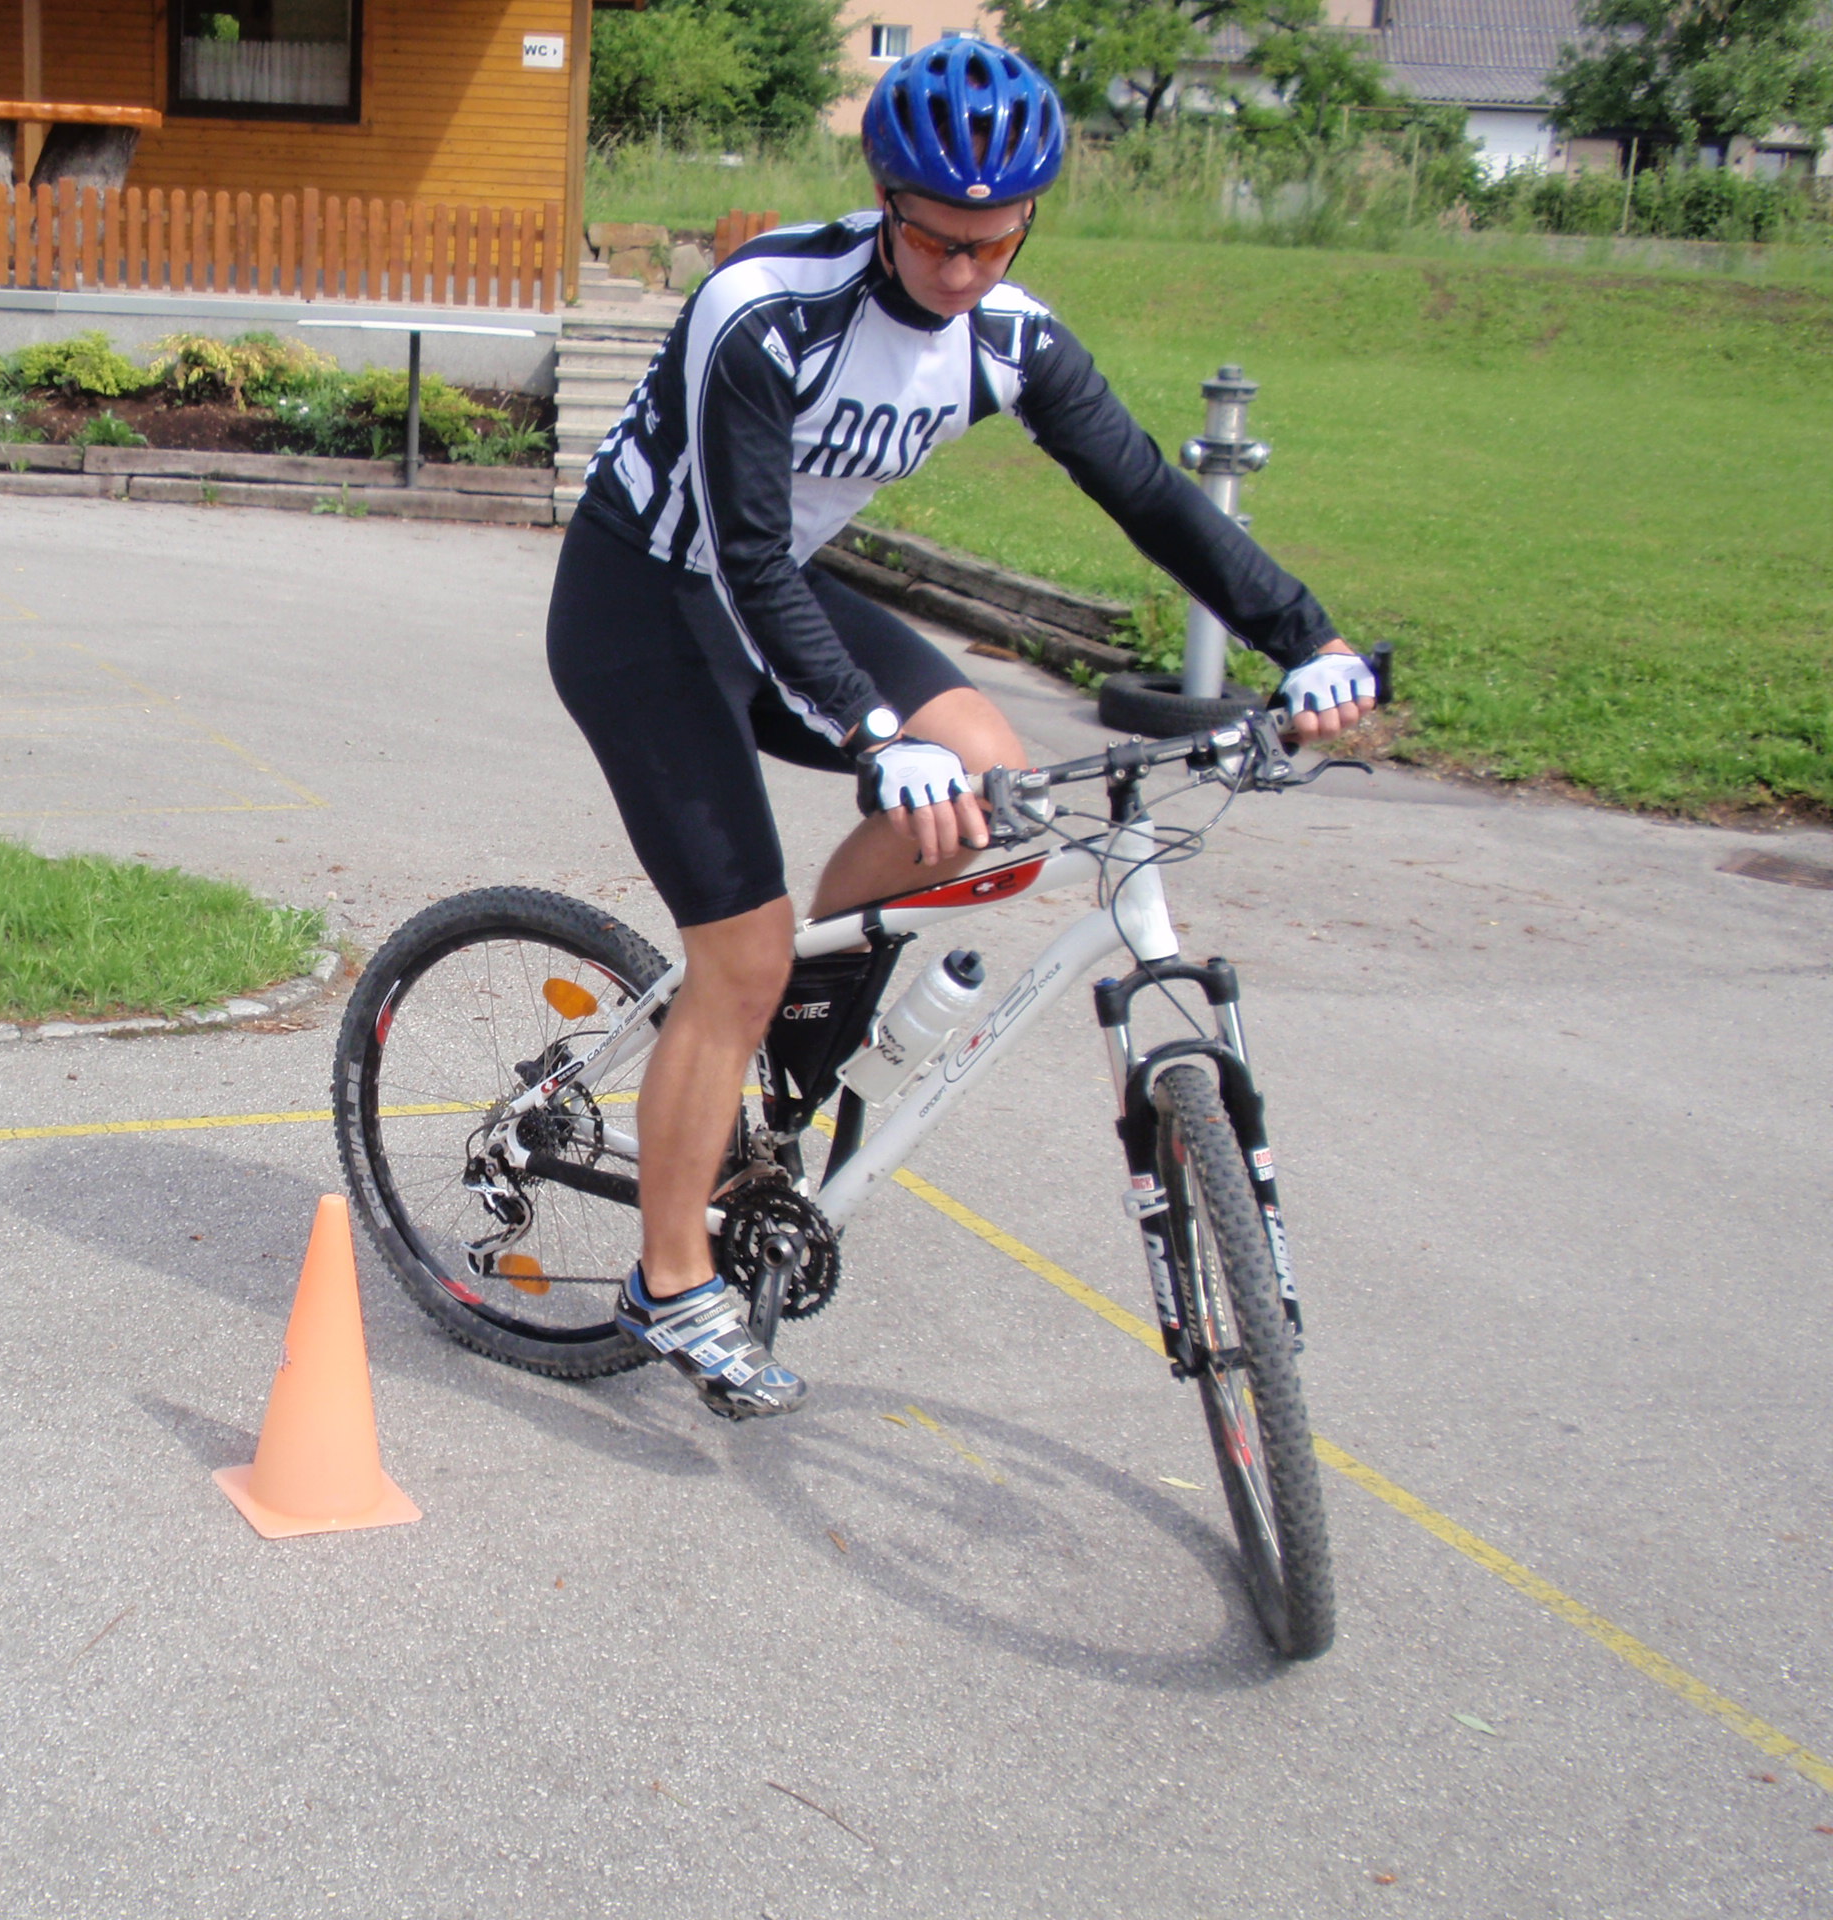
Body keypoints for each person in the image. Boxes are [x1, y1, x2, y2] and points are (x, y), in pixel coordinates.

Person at [546, 38, 1377, 1420]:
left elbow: (1152, 497)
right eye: (937, 240)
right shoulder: (764, 311)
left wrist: (1309, 640)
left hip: (776, 593)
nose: (963, 271)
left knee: (997, 786)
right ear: (886, 203)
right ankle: (670, 1275)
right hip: (645, 603)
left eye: (994, 242)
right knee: (739, 951)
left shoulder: (1010, 337)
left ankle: (790, 1033)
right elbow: (744, 558)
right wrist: (878, 734)